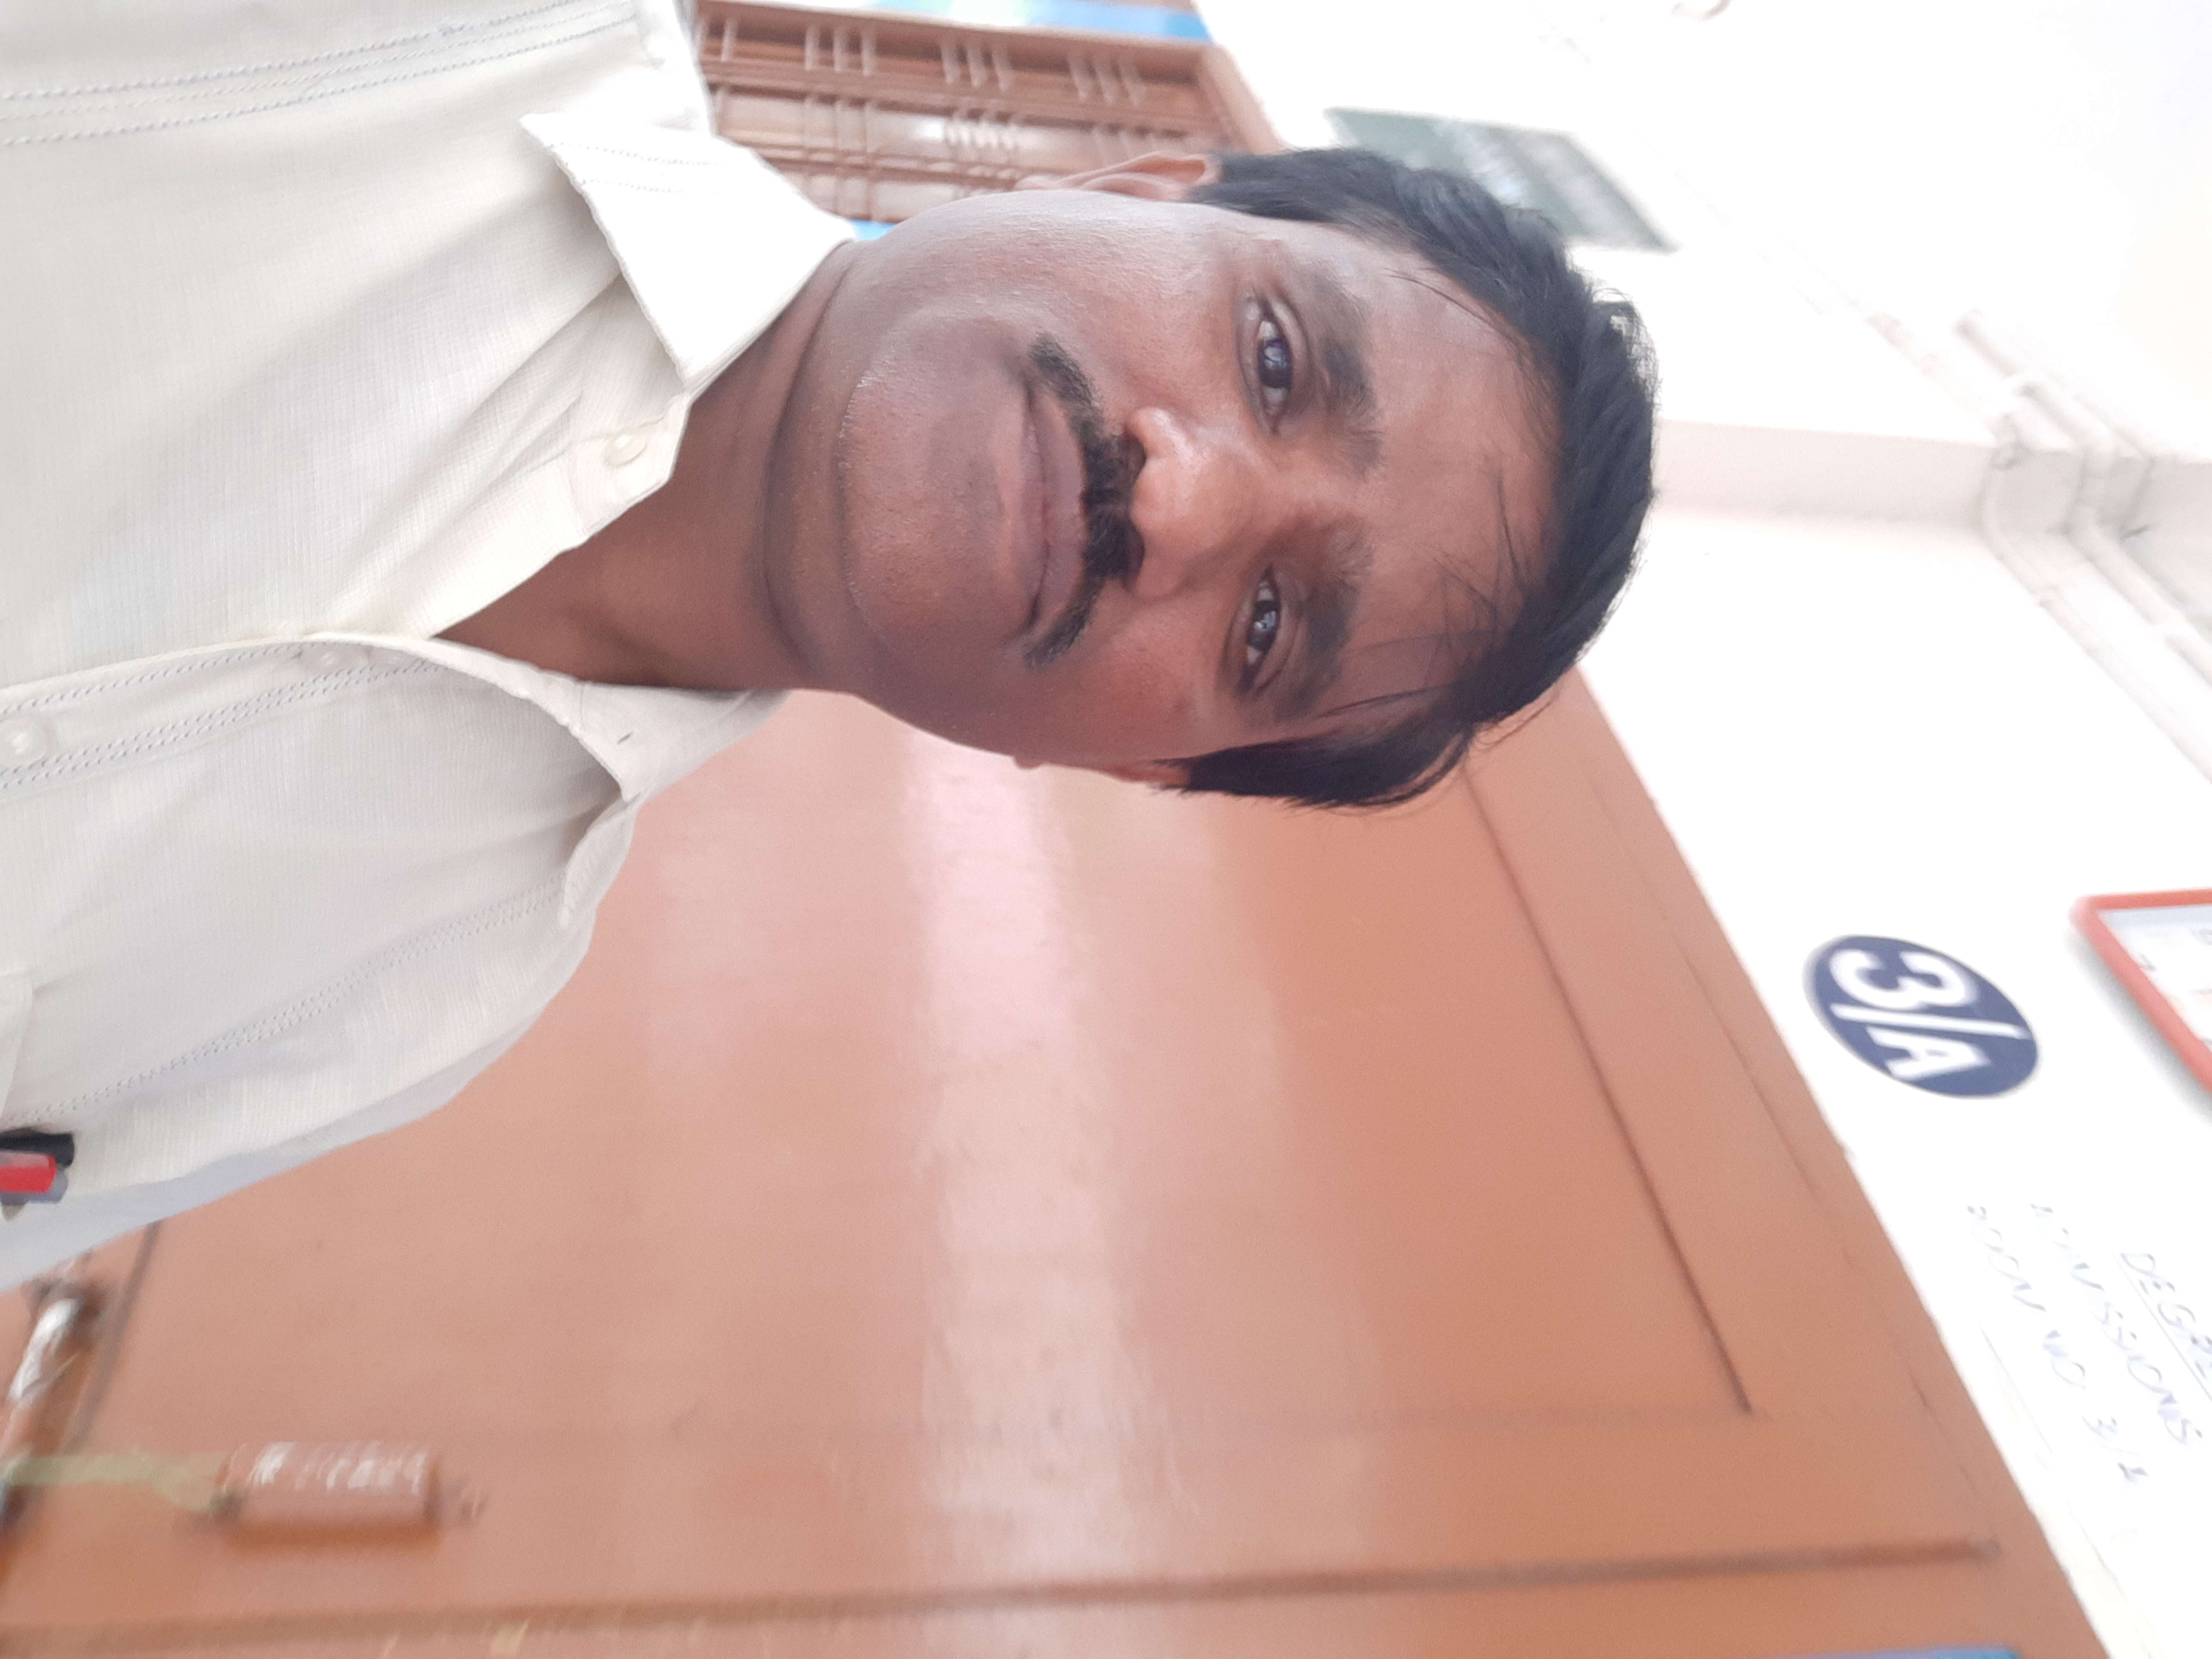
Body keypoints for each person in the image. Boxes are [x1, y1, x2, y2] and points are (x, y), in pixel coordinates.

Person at [0, 0, 1655, 1283]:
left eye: (1273, 625)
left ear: (1145, 763)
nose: (1185, 496)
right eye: (1276, 359)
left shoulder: (411, 1007)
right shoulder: (439, 41)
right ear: (1130, 188)